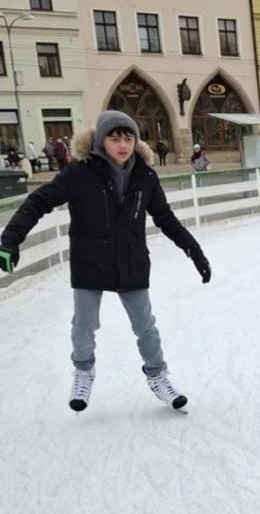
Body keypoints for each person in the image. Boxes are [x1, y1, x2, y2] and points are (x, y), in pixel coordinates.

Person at [0, 110, 211, 412]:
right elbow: (38, 201)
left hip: (131, 260)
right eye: (115, 138)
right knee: (84, 325)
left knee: (146, 326)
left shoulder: (145, 176)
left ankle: (157, 376)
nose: (123, 145)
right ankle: (83, 371)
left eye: (128, 138)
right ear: (101, 140)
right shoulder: (80, 173)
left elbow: (165, 218)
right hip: (90, 260)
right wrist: (10, 239)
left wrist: (194, 250)